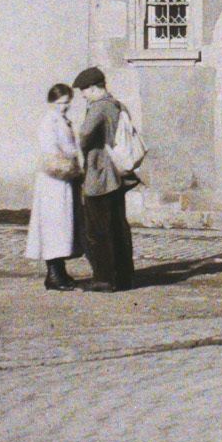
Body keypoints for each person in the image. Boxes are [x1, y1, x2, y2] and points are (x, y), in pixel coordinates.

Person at [73, 66, 136, 292]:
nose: (83, 95)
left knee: (98, 229)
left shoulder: (99, 108)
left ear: (93, 88)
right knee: (118, 225)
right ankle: (124, 276)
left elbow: (84, 135)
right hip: (118, 174)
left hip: (99, 175)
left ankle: (104, 278)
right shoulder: (118, 105)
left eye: (85, 91)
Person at [25, 82, 83, 290]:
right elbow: (50, 154)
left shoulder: (63, 120)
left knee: (64, 224)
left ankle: (61, 271)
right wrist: (71, 168)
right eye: (60, 103)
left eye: (67, 102)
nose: (64, 107)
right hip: (54, 181)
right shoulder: (49, 122)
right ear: (52, 102)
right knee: (54, 225)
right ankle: (54, 274)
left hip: (65, 180)